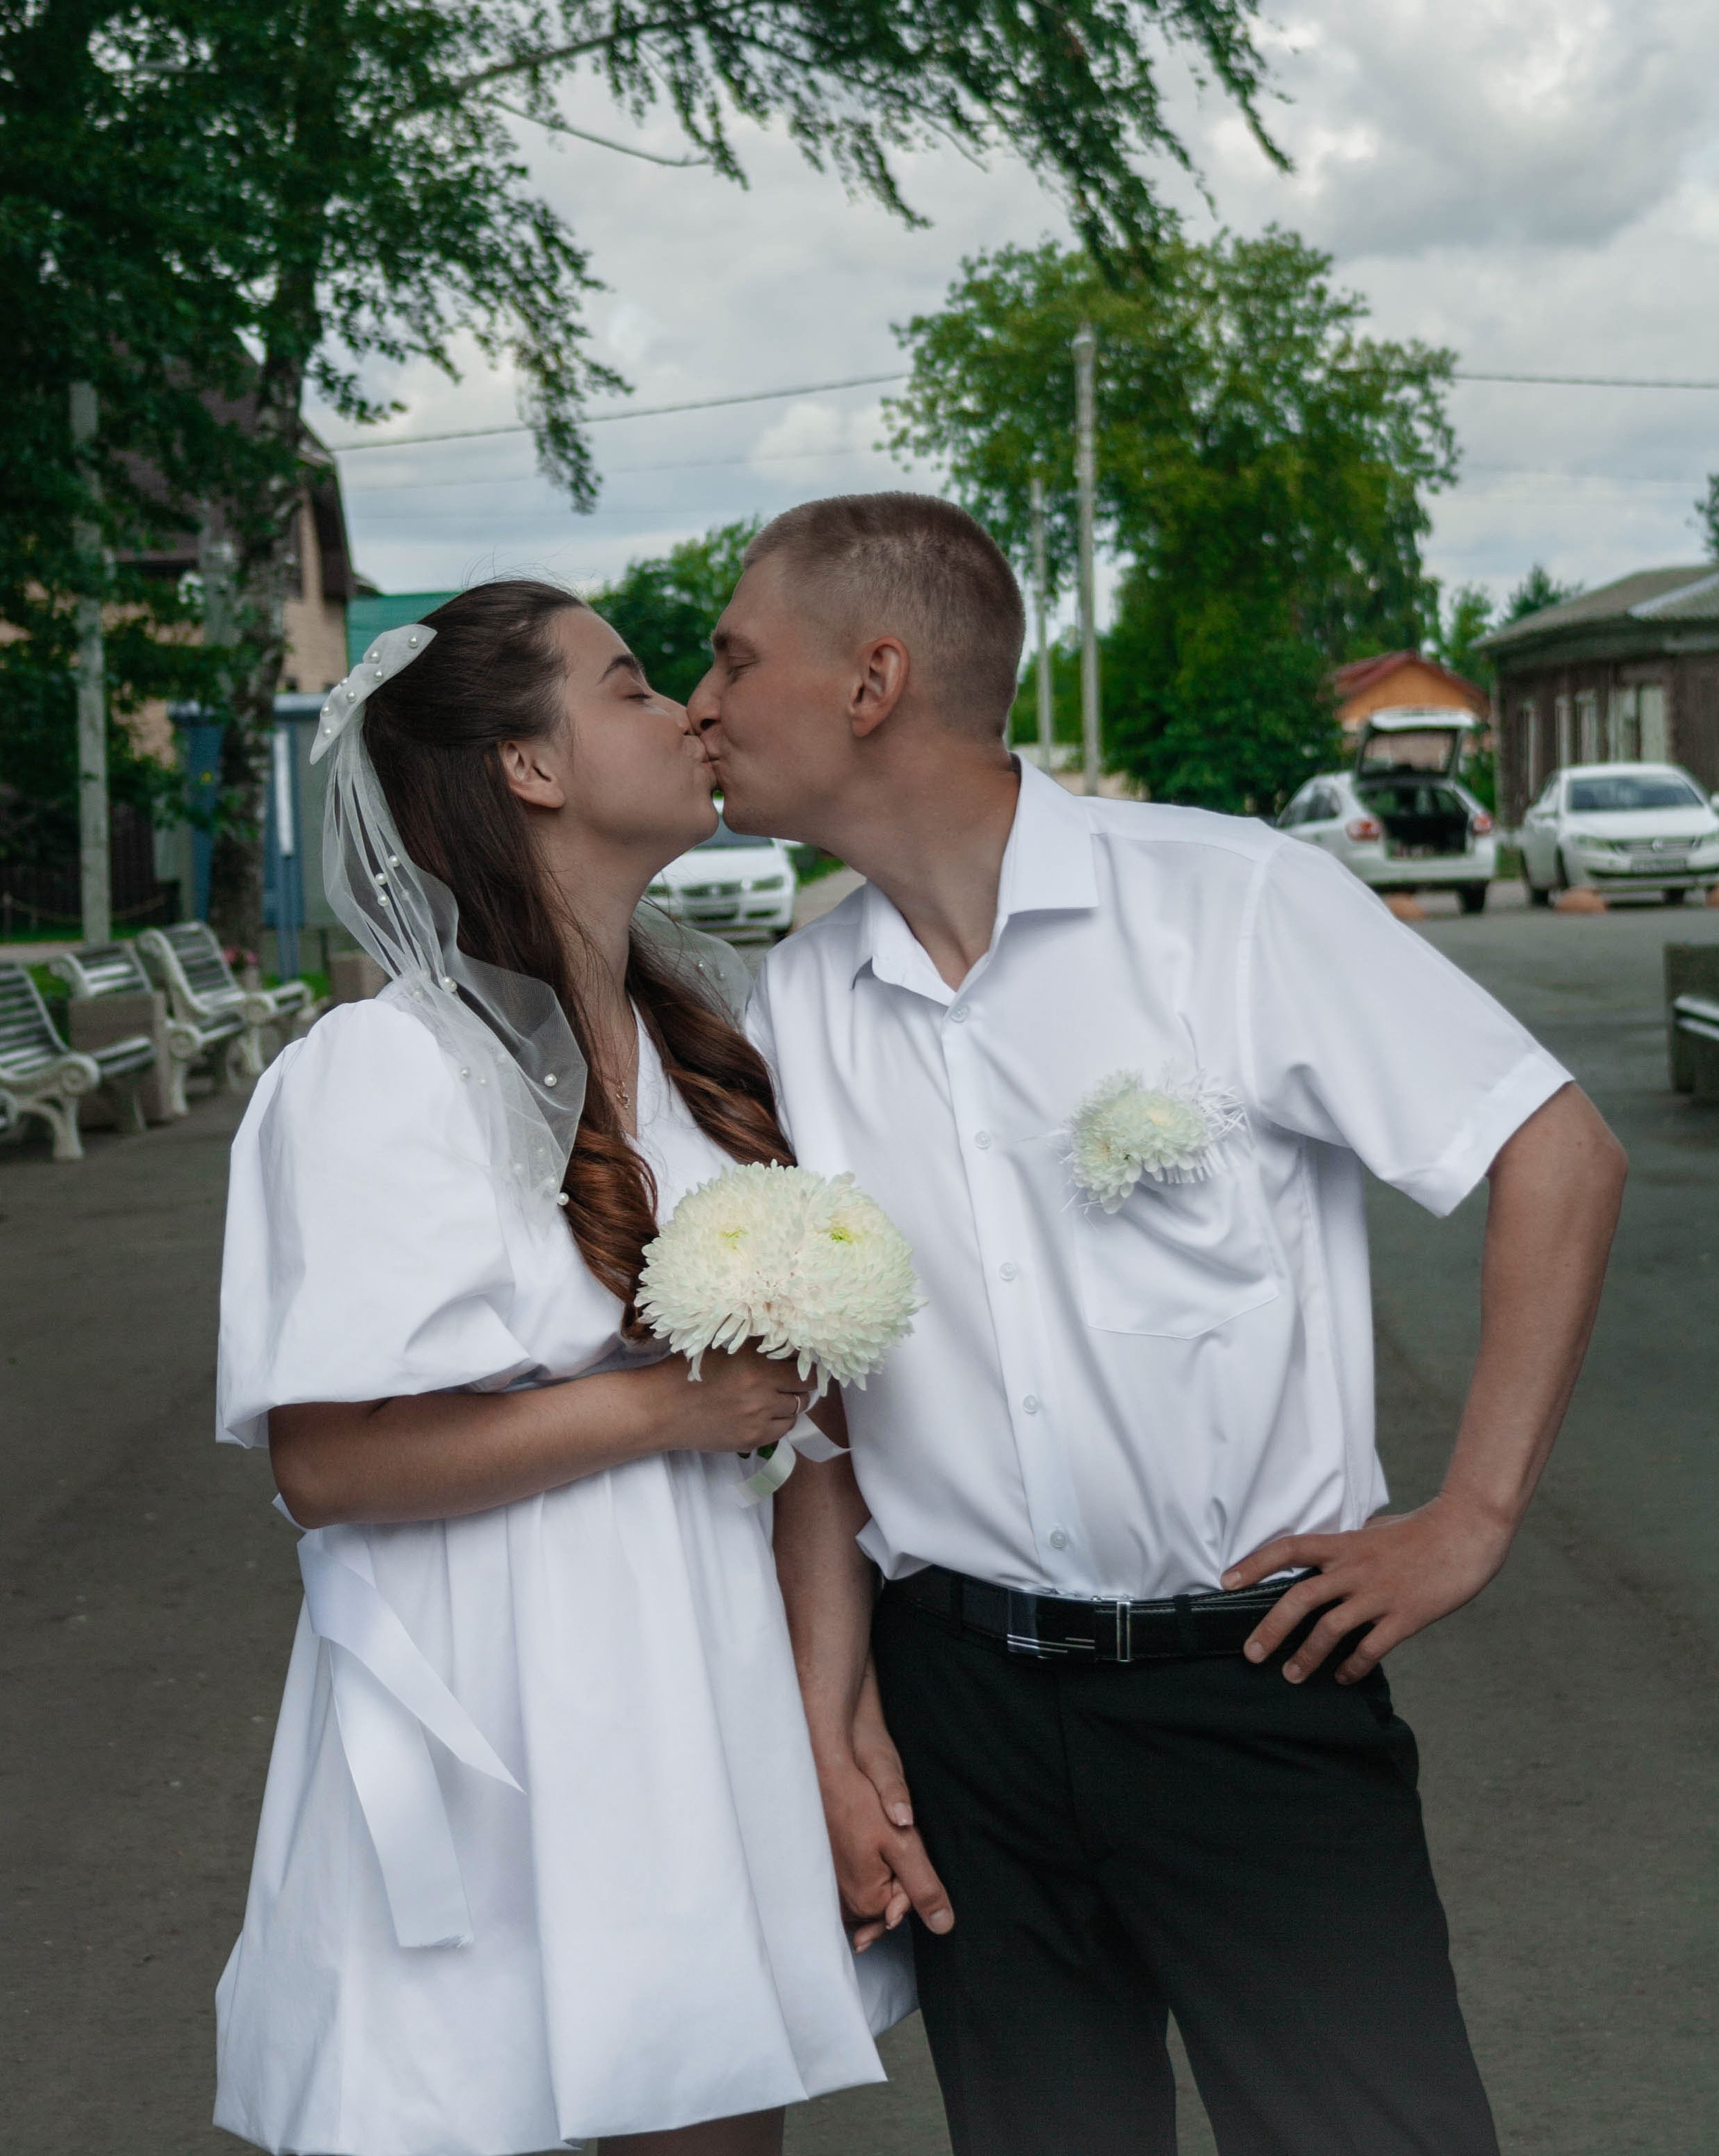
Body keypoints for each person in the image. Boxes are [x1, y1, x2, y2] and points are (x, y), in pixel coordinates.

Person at [688, 492, 1627, 2156]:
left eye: (732, 655)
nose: (701, 701)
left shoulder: (1228, 902)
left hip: (1247, 1683)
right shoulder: (799, 1007)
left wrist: (1467, 1521)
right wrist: (828, 1735)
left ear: (871, 680)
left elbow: (1551, 1151)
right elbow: (816, 1415)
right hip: (959, 1706)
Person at [213, 581, 908, 2156]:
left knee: (709, 2118)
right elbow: (328, 1465)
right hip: (496, 1683)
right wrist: (665, 1407)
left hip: (700, 1665)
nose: (689, 714)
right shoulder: (382, 1073)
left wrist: (824, 1732)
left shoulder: (713, 1049)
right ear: (526, 768)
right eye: (631, 685)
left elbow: (813, 1432)